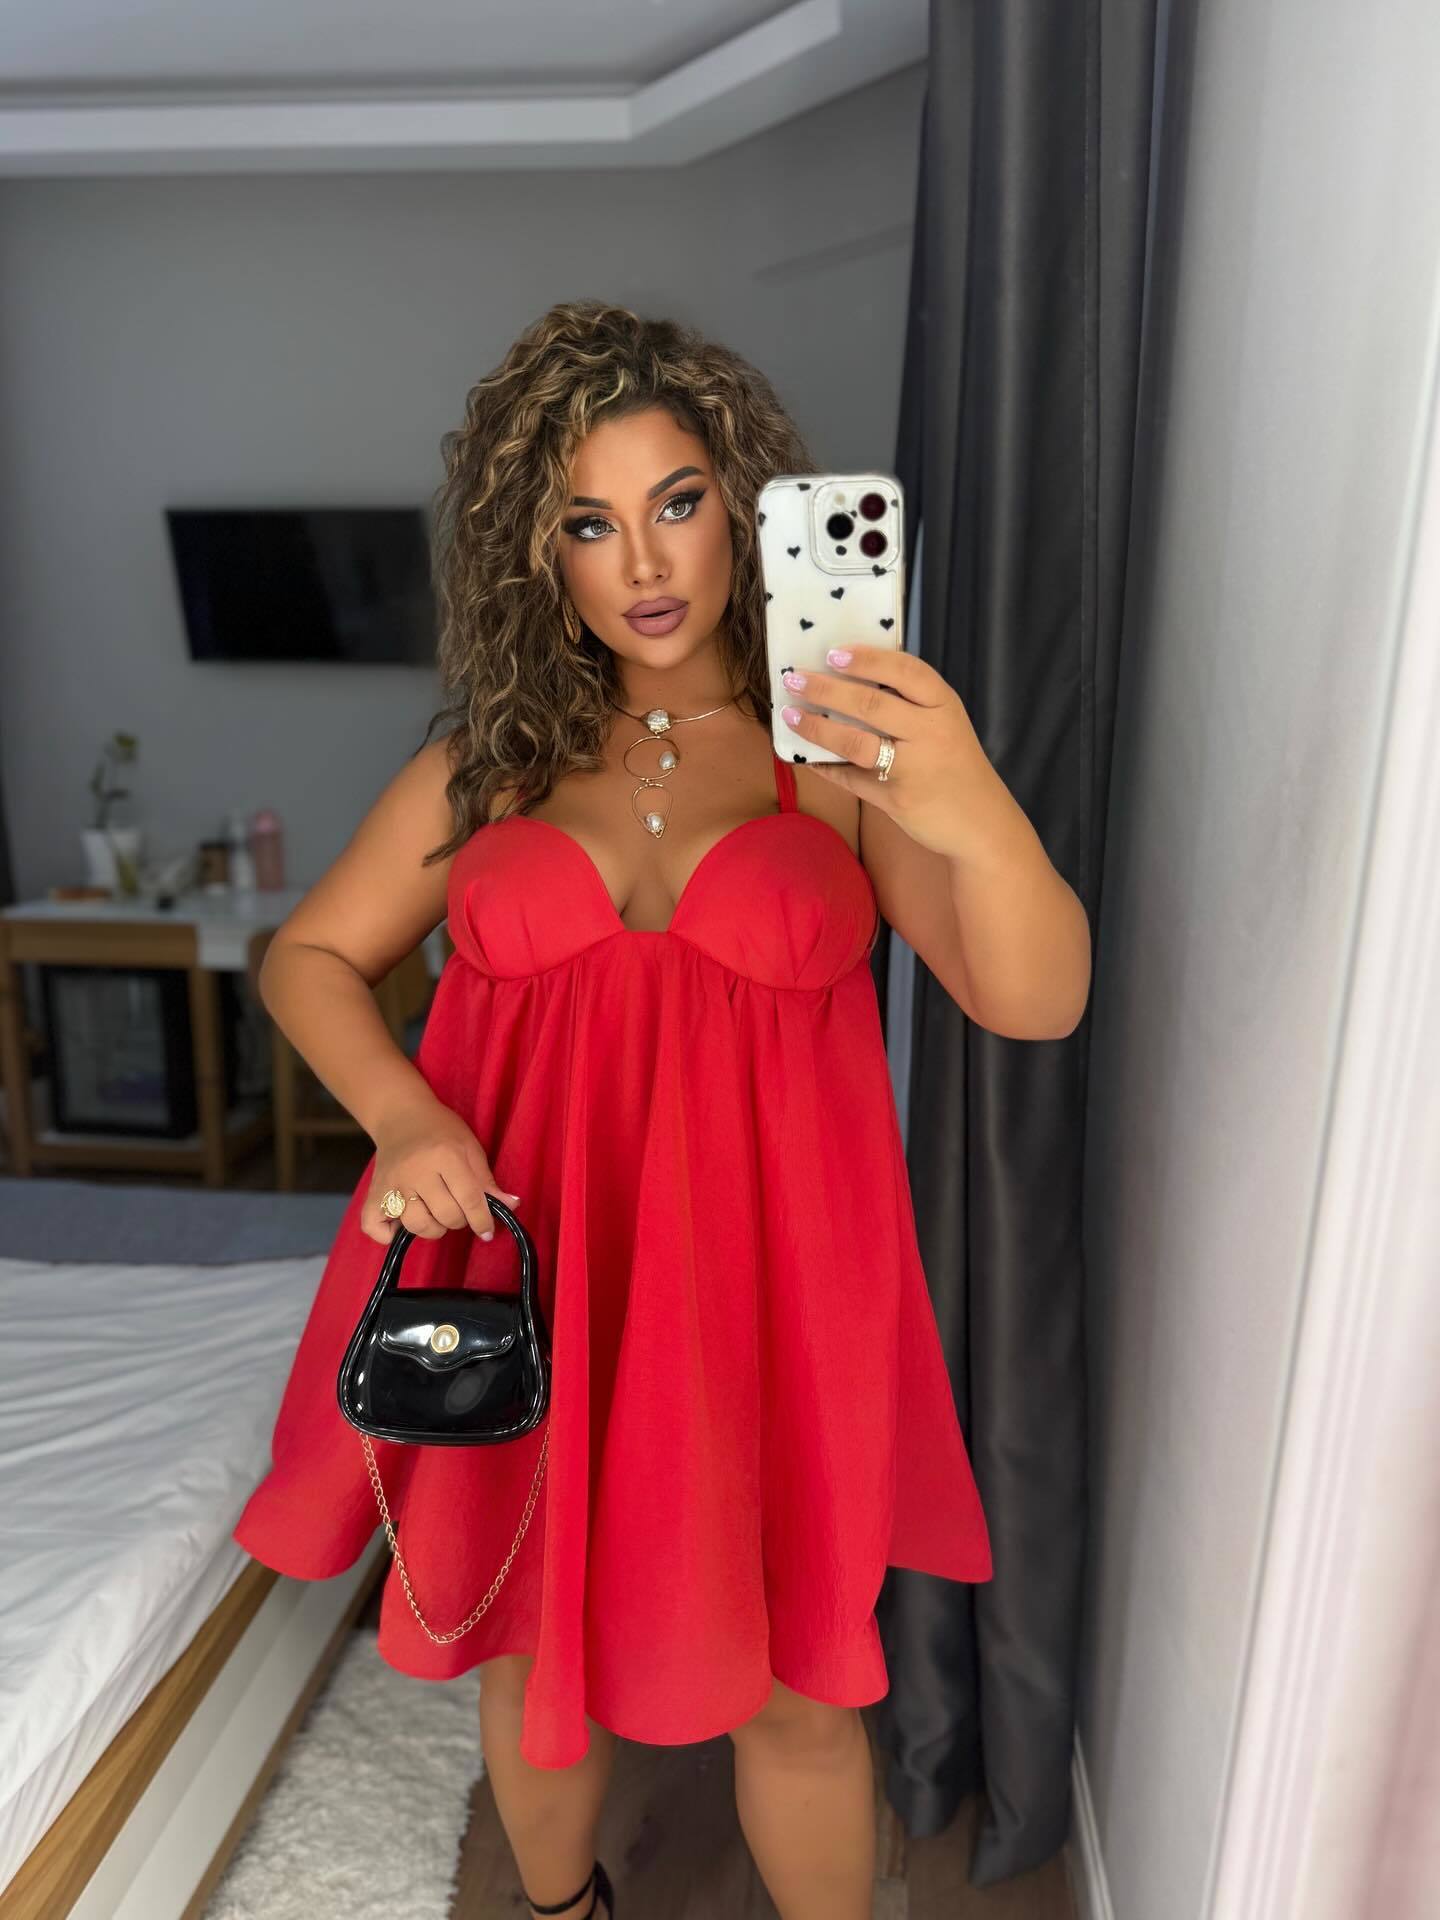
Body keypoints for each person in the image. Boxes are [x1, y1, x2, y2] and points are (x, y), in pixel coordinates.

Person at [232, 298, 1091, 1920]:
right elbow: (310, 957)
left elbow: (1034, 996)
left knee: (799, 1687)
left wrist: (968, 798)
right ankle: (565, 1913)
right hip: (534, 1273)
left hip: (772, 1294)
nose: (643, 559)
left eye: (678, 501)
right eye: (589, 520)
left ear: (744, 510)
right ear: (534, 550)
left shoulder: (832, 761)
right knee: (528, 1648)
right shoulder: (486, 768)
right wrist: (406, 1116)